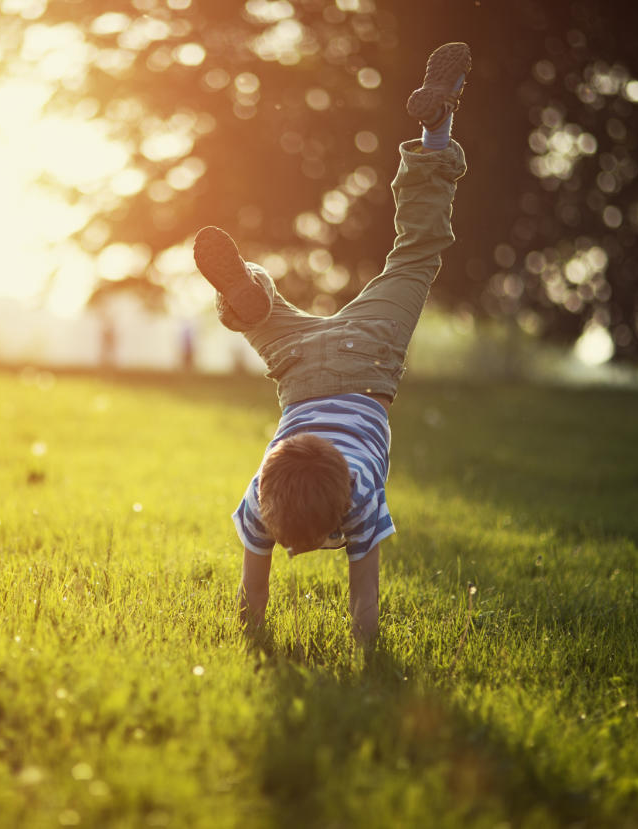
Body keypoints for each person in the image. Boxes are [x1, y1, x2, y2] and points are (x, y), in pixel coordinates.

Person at [193, 42, 471, 645]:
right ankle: (250, 300)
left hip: (366, 358)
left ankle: (435, 132)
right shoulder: (261, 494)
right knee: (277, 312)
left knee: (416, 257)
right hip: (300, 371)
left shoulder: (351, 498)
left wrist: (255, 643)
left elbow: (260, 598)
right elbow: (357, 605)